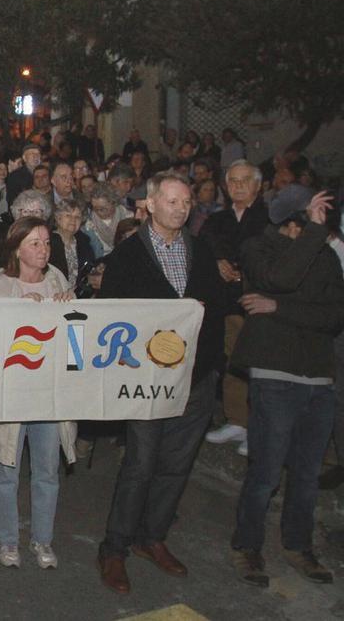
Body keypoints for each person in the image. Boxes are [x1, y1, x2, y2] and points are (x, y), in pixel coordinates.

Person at [97, 173, 225, 595]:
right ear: (150, 205)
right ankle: (115, 548)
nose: (181, 208)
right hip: (147, 381)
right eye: (171, 201)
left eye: (186, 202)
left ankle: (152, 537)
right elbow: (111, 318)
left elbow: (219, 307)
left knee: (176, 465)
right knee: (140, 465)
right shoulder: (128, 256)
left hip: (197, 378)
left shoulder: (200, 250)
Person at [228, 186, 343, 586]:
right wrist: (311, 238)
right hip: (275, 376)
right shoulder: (258, 249)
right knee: (266, 471)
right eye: (308, 222)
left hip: (318, 378)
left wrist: (279, 308)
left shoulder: (326, 257)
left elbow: (334, 316)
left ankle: (298, 545)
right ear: (292, 223)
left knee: (307, 474)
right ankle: (248, 546)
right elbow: (282, 277)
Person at [0, 217, 77, 569]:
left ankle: (42, 538)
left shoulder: (57, 280)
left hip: (48, 394)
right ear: (17, 248)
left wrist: (70, 304)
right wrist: (21, 311)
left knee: (47, 470)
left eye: (47, 243)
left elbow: (75, 340)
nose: (43, 250)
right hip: (11, 393)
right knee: (7, 467)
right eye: (35, 243)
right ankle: (7, 539)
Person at [200, 161, 268, 452]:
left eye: (245, 180)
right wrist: (216, 263)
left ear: (258, 185)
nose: (238, 186)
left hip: (261, 305)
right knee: (231, 360)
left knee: (260, 365)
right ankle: (237, 420)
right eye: (233, 181)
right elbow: (202, 248)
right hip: (227, 302)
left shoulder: (270, 219)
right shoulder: (217, 220)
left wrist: (248, 272)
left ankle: (260, 427)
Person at [49, 198, 96, 294]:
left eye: (77, 217)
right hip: (54, 295)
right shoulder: (48, 242)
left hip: (78, 297)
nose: (73, 220)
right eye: (68, 215)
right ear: (58, 218)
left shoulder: (84, 243)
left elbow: (88, 274)